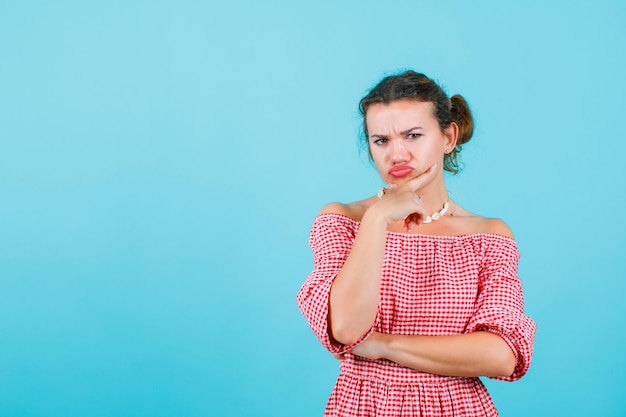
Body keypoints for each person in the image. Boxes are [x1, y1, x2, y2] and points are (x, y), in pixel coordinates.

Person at [296, 70, 536, 416]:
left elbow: (501, 355)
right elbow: (347, 328)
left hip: (457, 408)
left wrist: (382, 345)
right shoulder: (343, 221)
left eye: (413, 135)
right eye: (382, 141)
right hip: (364, 406)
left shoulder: (488, 236)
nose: (397, 154)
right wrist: (378, 219)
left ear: (448, 137)